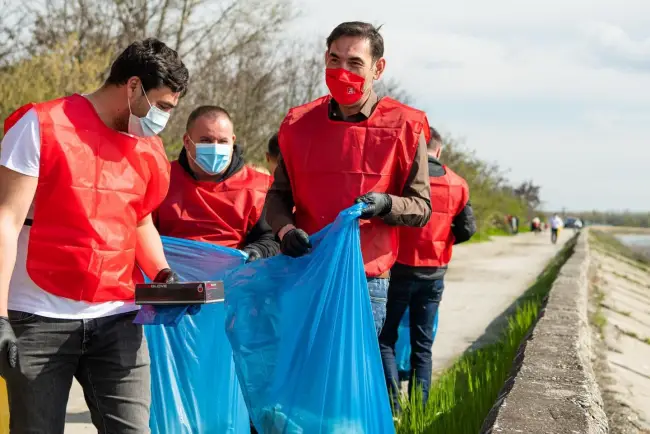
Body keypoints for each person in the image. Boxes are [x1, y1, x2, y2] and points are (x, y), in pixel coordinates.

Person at [0, 38, 189, 434]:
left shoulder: (148, 147)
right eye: (163, 106)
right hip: (38, 317)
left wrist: (163, 275)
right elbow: (6, 220)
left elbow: (140, 222)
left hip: (118, 319)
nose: (164, 119)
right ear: (133, 86)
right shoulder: (40, 125)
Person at [265, 21, 432, 335]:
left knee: (351, 379)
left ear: (377, 69)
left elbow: (421, 207)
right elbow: (277, 195)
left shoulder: (404, 126)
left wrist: (385, 204)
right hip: (306, 270)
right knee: (306, 375)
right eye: (334, 60)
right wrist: (285, 230)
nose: (342, 70)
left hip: (364, 281)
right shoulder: (298, 124)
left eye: (355, 62)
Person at [378, 127, 476, 413]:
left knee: (386, 339)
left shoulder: (400, 181)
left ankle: (393, 408)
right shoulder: (458, 184)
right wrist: (445, 237)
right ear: (440, 150)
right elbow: (468, 229)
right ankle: (419, 412)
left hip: (397, 269)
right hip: (434, 272)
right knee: (423, 346)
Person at [154, 106, 279, 262]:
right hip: (170, 278)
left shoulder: (260, 186)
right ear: (187, 141)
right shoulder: (161, 177)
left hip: (233, 280)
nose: (215, 147)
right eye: (205, 140)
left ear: (232, 141)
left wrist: (256, 251)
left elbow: (270, 237)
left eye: (222, 141)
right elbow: (142, 231)